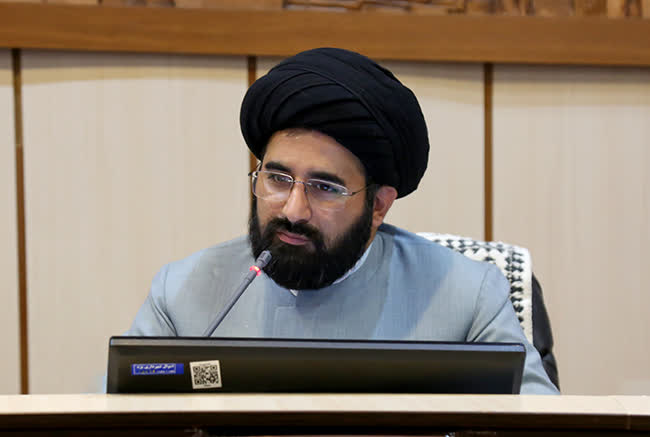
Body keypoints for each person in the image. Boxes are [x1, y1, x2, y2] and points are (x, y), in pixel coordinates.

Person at [127, 47, 559, 394]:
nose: (293, 210)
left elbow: (539, 425)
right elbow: (123, 418)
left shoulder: (466, 297)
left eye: (325, 187)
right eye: (277, 179)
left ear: (378, 206)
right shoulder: (182, 293)